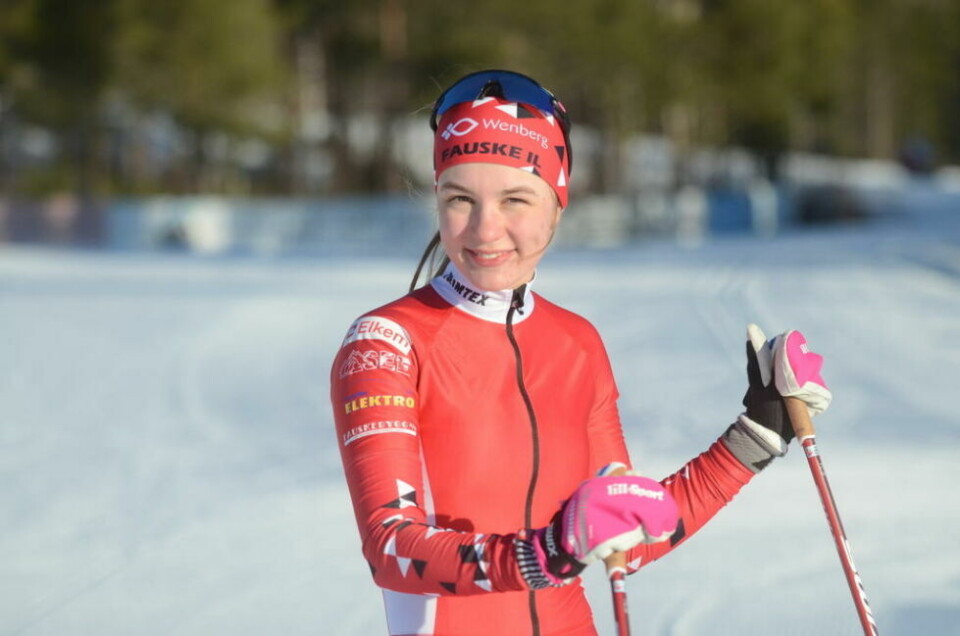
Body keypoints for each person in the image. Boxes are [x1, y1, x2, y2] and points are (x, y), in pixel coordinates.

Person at [329, 69, 832, 636]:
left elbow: (630, 539)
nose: (485, 229)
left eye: (515, 199)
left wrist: (756, 434)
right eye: (460, 199)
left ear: (557, 203)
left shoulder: (576, 344)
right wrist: (547, 551)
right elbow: (391, 548)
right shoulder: (386, 343)